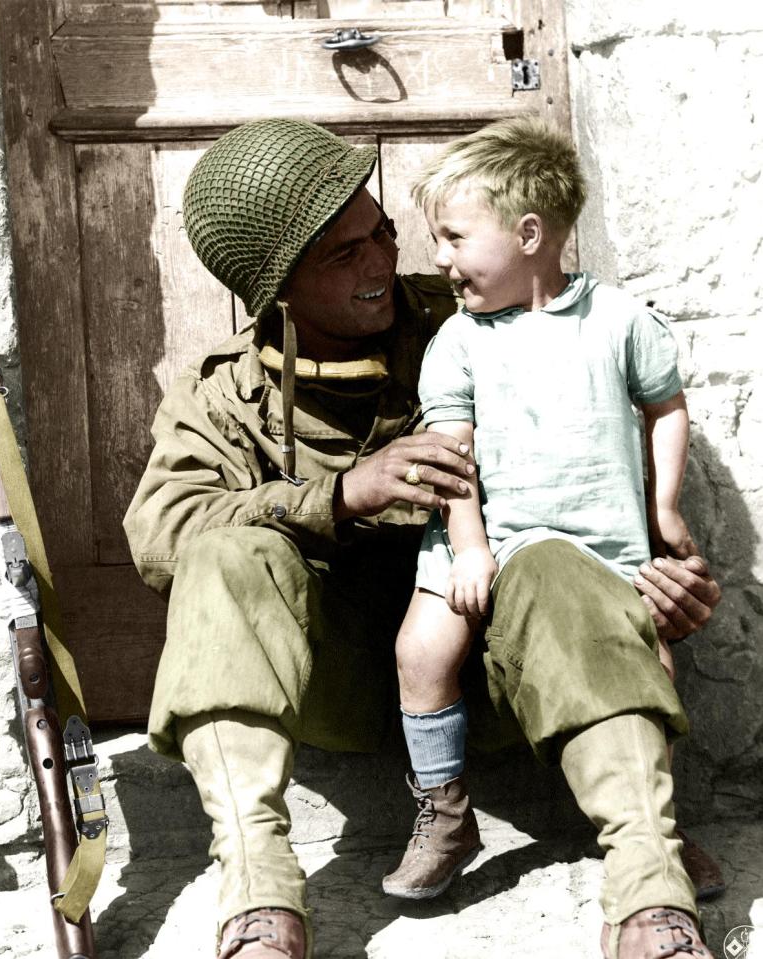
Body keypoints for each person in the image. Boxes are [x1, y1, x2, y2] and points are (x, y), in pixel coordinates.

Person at [123, 118, 722, 959]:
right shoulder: (226, 394)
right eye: (343, 255)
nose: (382, 264)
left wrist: (664, 577)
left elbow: (604, 447)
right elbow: (163, 532)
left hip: (513, 664)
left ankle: (648, 882)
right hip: (333, 680)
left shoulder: (479, 314)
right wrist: (334, 497)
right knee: (226, 551)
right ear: (275, 288)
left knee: (553, 557)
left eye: (382, 233)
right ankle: (259, 902)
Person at [382, 118, 697, 909]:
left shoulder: (620, 321)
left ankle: (655, 822)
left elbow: (665, 407)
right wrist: (470, 549)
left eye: (454, 238)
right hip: (483, 534)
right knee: (421, 652)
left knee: (649, 663)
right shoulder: (457, 341)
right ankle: (447, 812)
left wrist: (664, 505)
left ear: (529, 233)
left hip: (602, 542)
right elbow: (452, 456)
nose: (440, 260)